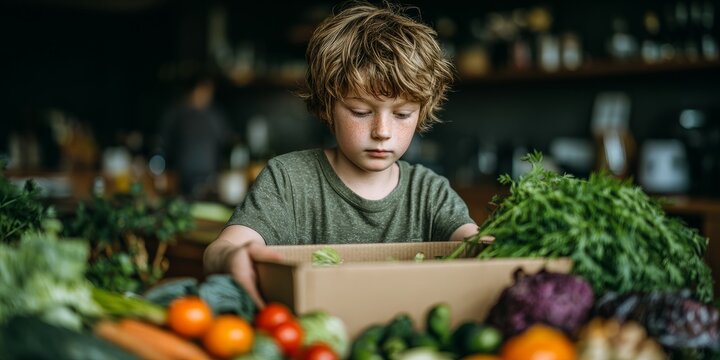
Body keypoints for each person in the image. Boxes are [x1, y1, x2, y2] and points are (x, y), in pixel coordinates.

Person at [203, 0, 478, 307]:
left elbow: (475, 244)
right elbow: (220, 250)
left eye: (402, 115)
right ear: (326, 106)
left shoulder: (429, 192)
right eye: (360, 111)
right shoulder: (289, 181)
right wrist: (231, 255)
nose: (382, 131)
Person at [156, 73, 234, 199]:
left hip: (209, 179)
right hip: (180, 179)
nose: (207, 95)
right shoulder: (176, 114)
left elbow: (226, 142)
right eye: (203, 90)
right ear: (193, 89)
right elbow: (162, 144)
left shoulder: (215, 117)